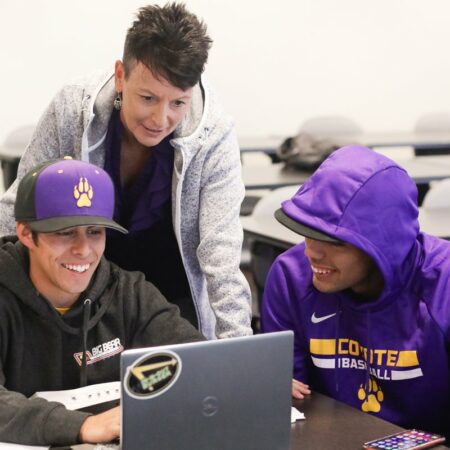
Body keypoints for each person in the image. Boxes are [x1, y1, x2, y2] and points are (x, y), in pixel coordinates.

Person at [0, 2, 252, 339]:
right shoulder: (74, 107)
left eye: (178, 103)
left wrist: (240, 353)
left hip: (171, 294)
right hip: (86, 283)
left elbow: (221, 252)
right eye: (148, 98)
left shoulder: (213, 133)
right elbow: (19, 206)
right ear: (121, 76)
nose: (160, 120)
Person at [0, 158, 204, 446]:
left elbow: (200, 361)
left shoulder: (130, 293)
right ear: (25, 233)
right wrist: (83, 425)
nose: (83, 250)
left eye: (94, 232)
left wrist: (248, 374)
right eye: (65, 232)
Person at [261, 145, 450, 437]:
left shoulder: (443, 285)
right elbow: (290, 405)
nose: (313, 253)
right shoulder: (291, 275)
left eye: (334, 241)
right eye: (307, 232)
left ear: (383, 243)